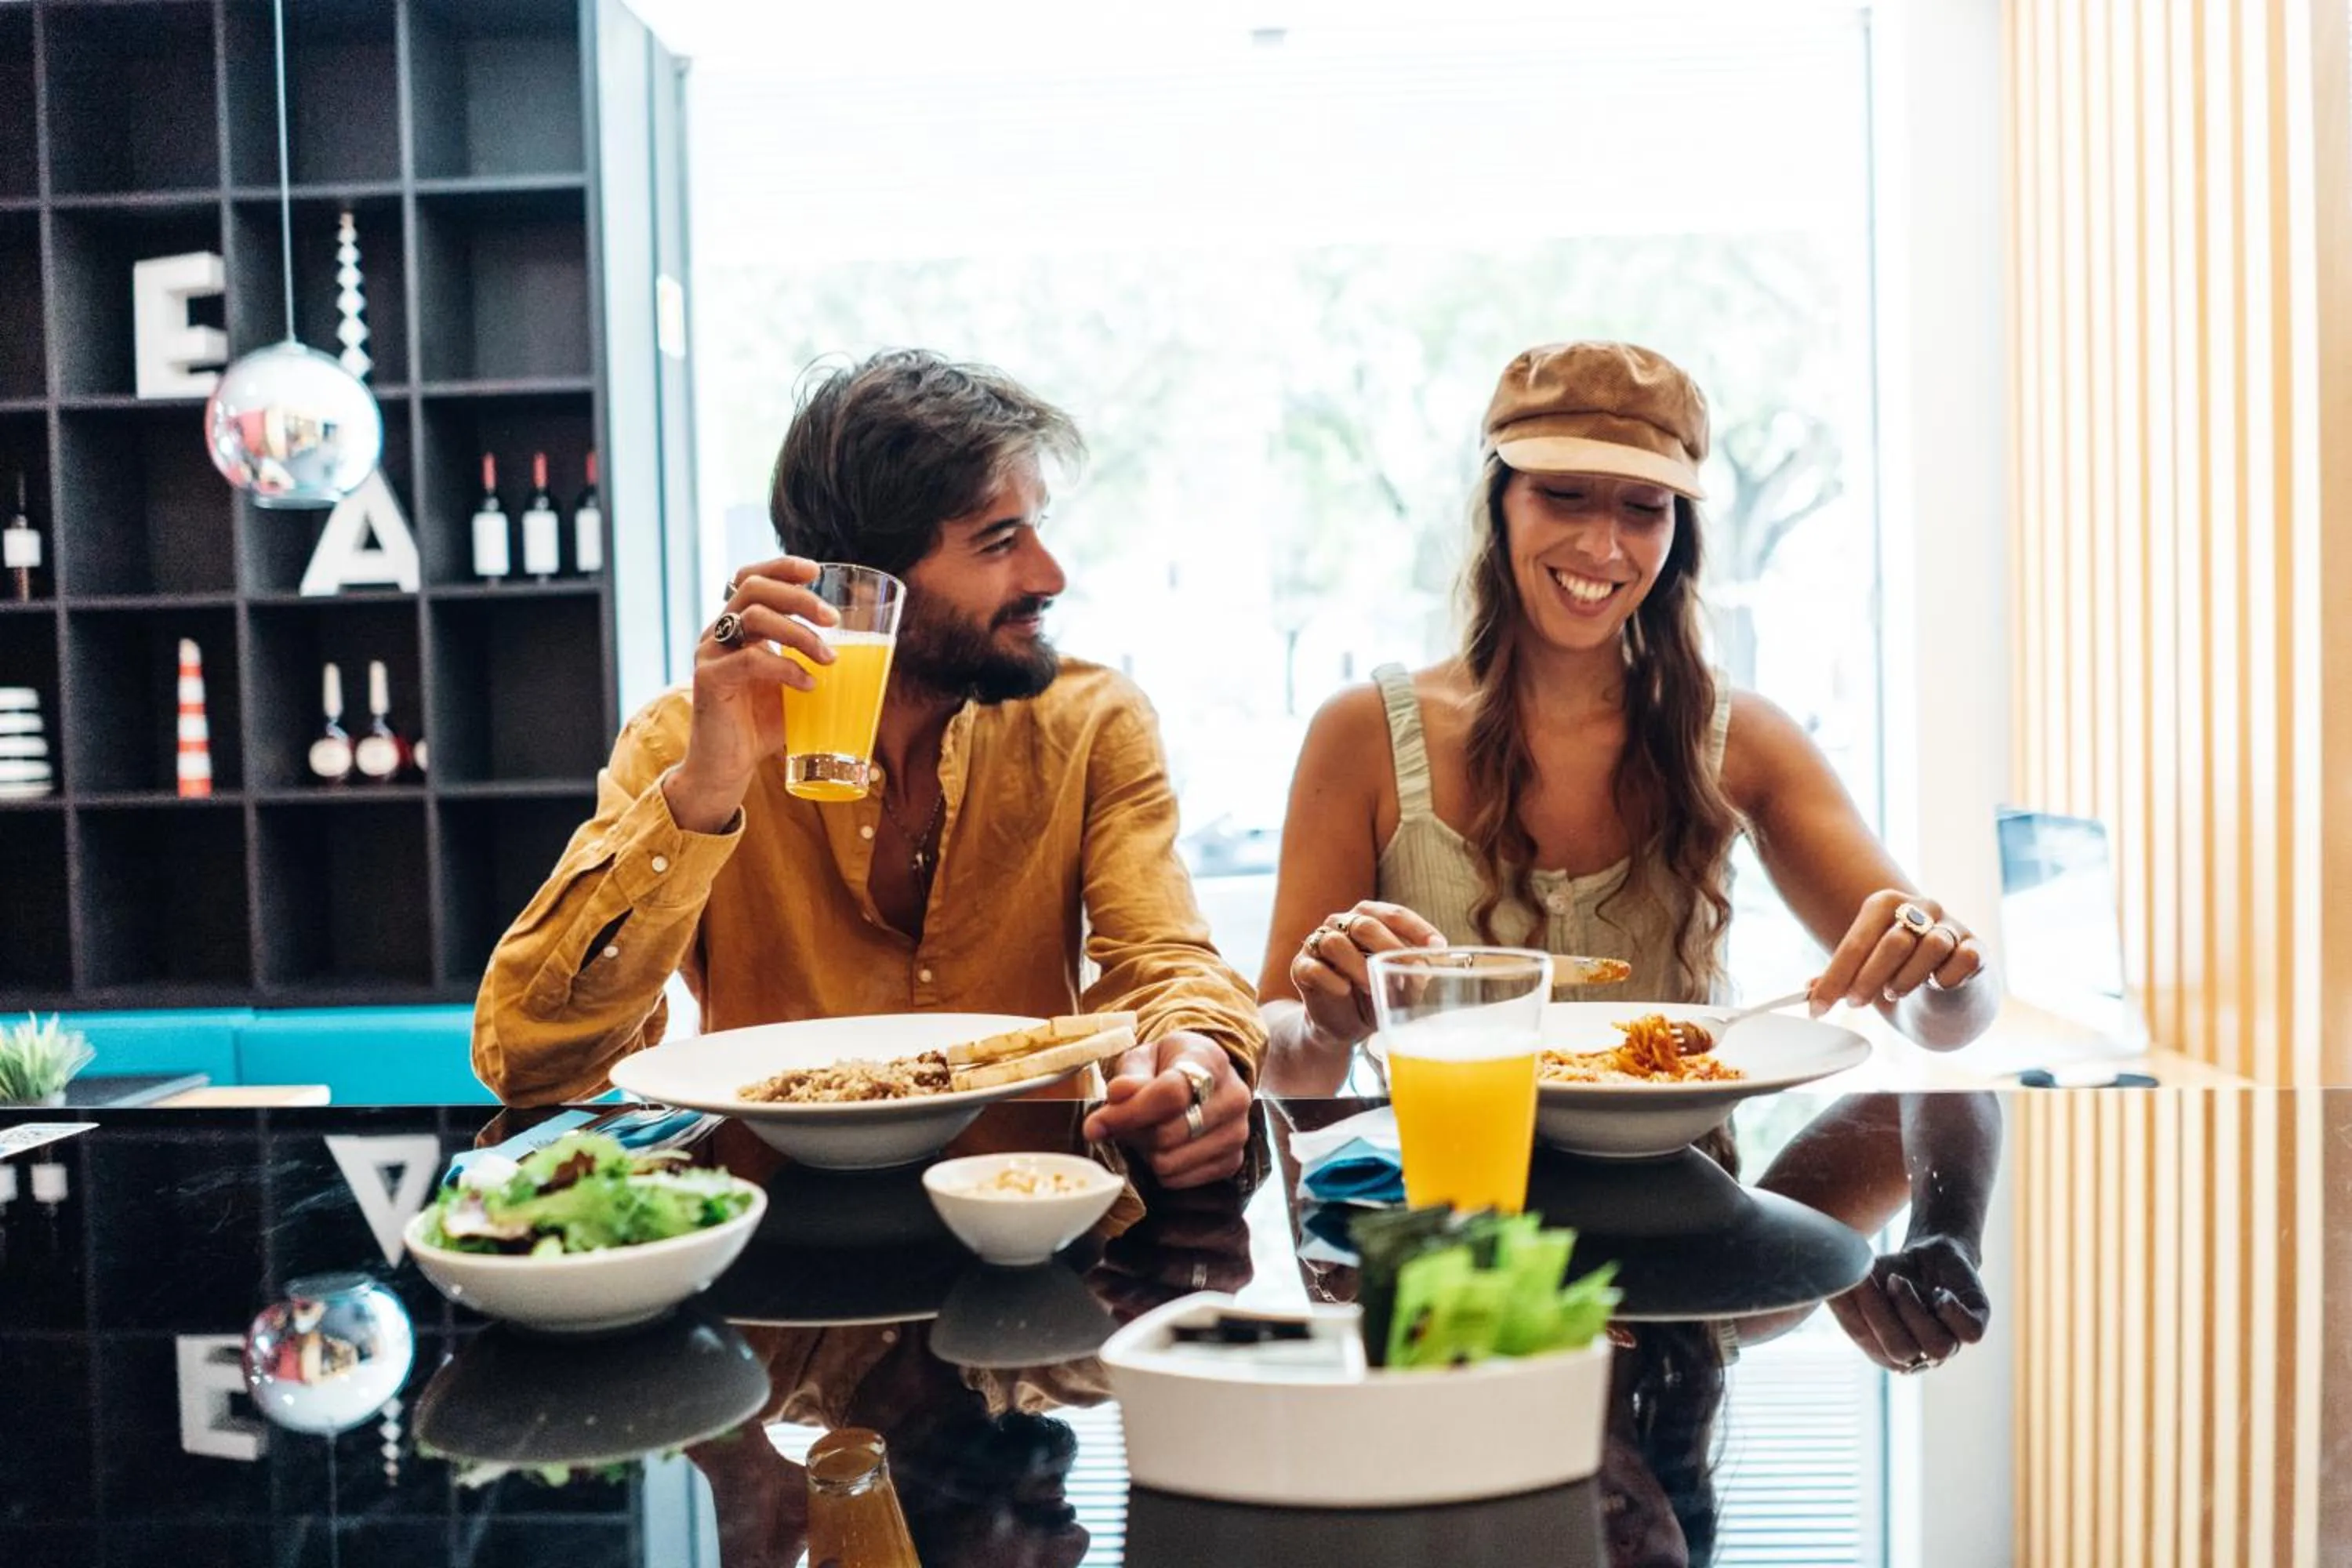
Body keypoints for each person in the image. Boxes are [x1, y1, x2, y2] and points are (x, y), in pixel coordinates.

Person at [473, 348, 1260, 1187]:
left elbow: (1164, 960)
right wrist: (701, 795)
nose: (1049, 575)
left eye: (1039, 529)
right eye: (1000, 541)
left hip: (1034, 1218)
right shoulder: (690, 739)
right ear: (867, 582)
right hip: (768, 1235)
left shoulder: (1092, 720)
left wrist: (1200, 1060)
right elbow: (530, 1060)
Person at [1258, 339, 2001, 1089]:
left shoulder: (1744, 739)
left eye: (1643, 509)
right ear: (1499, 505)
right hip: (1449, 1190)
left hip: (1694, 1192)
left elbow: (1941, 1023)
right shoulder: (1364, 735)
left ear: (1676, 533)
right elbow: (1283, 1060)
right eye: (1563, 495)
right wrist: (1324, 1021)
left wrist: (1944, 972)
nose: (1601, 545)